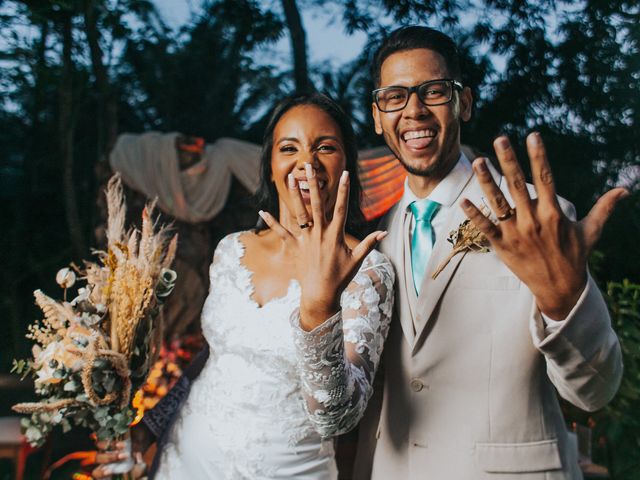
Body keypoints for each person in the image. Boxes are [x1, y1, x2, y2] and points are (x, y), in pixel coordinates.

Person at [353, 26, 626, 479]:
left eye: (433, 91)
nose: (414, 110)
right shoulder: (375, 235)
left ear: (464, 102)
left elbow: (595, 391)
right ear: (378, 115)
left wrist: (563, 302)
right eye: (395, 96)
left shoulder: (535, 220)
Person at [91, 92, 395, 479]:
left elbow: (338, 417)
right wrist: (146, 431)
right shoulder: (232, 249)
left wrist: (320, 309)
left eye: (326, 147)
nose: (307, 162)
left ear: (347, 165)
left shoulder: (368, 269)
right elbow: (212, 359)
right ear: (270, 166)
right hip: (183, 464)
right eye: (290, 147)